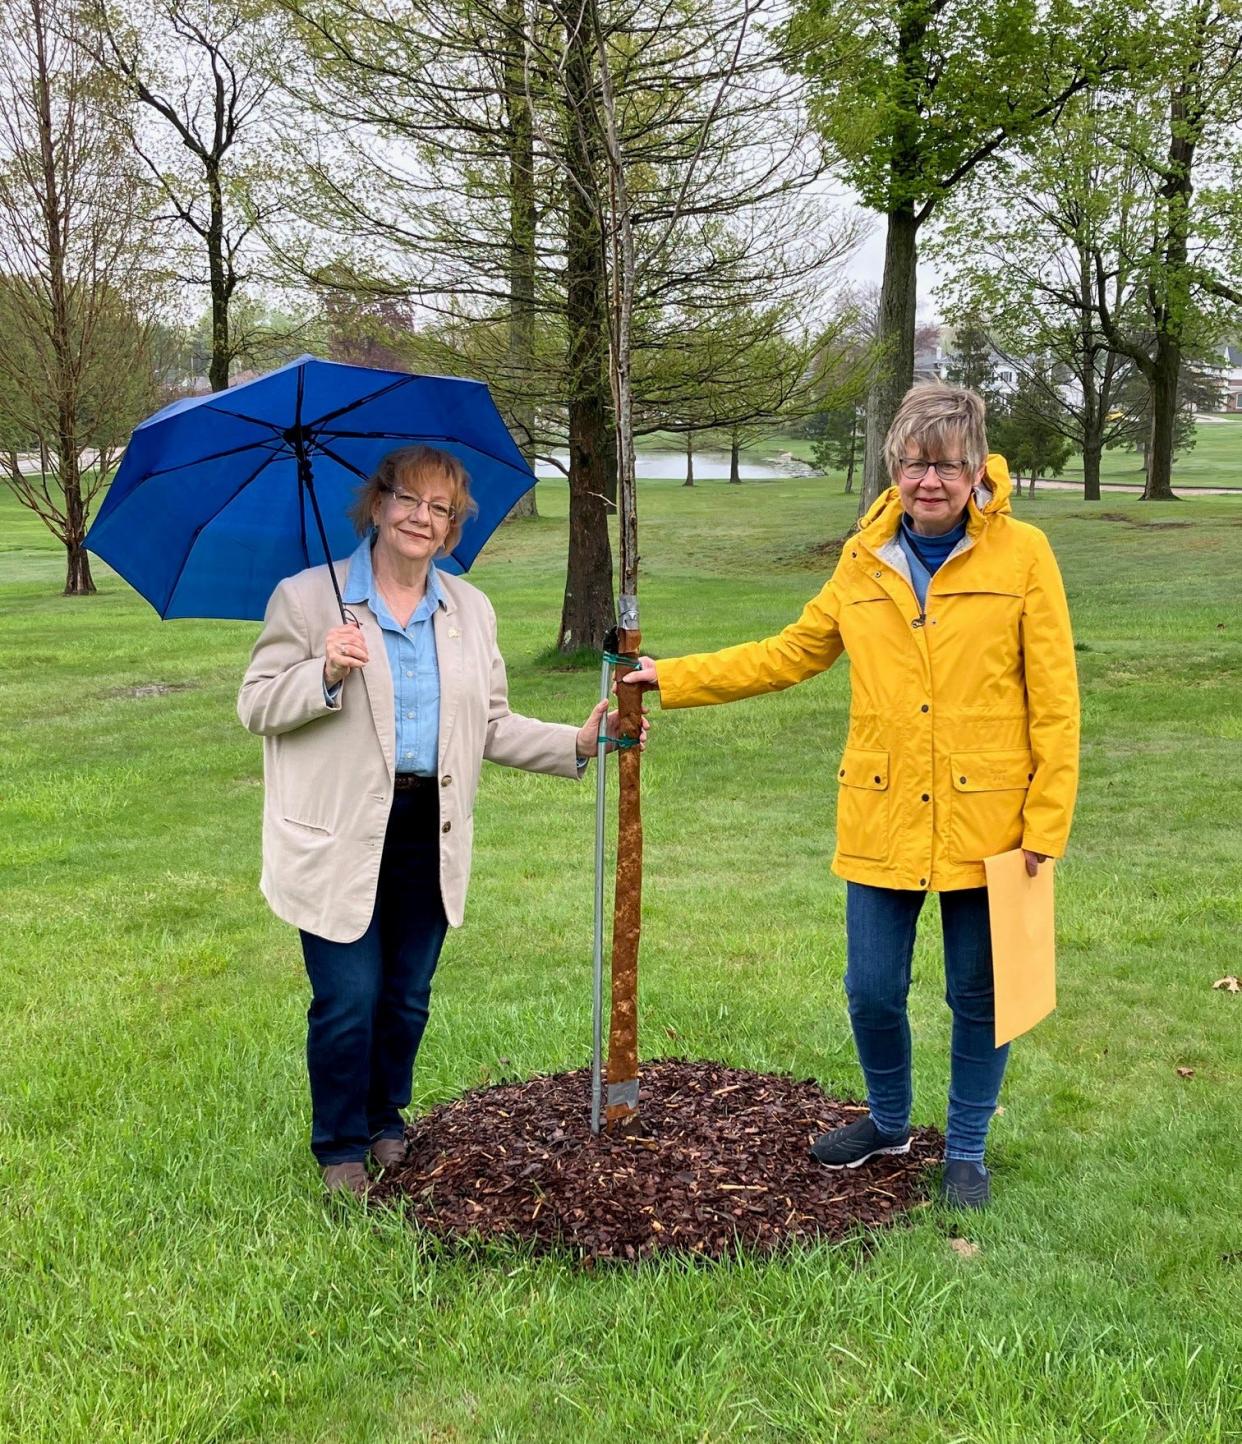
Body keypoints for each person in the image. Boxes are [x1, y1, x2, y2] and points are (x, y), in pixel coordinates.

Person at [621, 383, 1078, 1209]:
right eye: (914, 463)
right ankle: (890, 1121)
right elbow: (792, 651)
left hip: (994, 821)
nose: (928, 481)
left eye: (945, 464)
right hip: (882, 807)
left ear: (977, 467)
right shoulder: (863, 558)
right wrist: (674, 677)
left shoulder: (1025, 555)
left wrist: (1046, 822)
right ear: (893, 465)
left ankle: (966, 1147)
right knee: (871, 990)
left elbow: (1056, 700)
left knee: (980, 994)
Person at [239, 445, 646, 1198]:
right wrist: (321, 672)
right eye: (408, 499)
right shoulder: (307, 600)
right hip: (339, 834)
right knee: (348, 998)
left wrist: (580, 743)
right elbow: (255, 705)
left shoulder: (469, 609)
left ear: (454, 524)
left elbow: (489, 724)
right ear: (377, 502)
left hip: (429, 827)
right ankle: (339, 1147)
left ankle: (385, 1118)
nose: (421, 518)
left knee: (405, 995)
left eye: (441, 509)